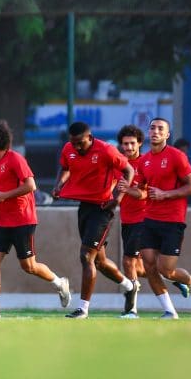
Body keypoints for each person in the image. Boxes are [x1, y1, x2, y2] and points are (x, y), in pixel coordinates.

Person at [0, 119, 71, 318]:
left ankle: (59, 283)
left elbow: (30, 186)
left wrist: (4, 195)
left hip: (23, 219)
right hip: (2, 220)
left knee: (29, 266)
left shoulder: (15, 159)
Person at [53, 121, 138, 319]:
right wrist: (59, 185)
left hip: (103, 209)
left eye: (81, 143)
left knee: (86, 257)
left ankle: (83, 308)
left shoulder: (106, 150)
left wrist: (117, 198)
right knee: (100, 261)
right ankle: (129, 286)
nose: (77, 147)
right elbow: (65, 168)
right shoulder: (68, 149)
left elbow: (129, 170)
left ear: (90, 138)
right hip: (84, 207)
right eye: (73, 143)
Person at [133, 117, 191, 319]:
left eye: (160, 129)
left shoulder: (177, 156)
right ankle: (169, 311)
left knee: (166, 270)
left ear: (167, 134)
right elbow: (142, 190)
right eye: (152, 128)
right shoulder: (144, 160)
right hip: (149, 219)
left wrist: (165, 194)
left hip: (173, 220)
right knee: (149, 265)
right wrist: (126, 189)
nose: (155, 131)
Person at [114, 125, 148, 318]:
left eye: (132, 143)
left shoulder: (145, 163)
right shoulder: (119, 163)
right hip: (126, 220)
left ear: (140, 143)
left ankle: (132, 309)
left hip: (143, 219)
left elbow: (144, 194)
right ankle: (178, 278)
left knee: (127, 261)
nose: (128, 147)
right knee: (140, 268)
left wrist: (128, 189)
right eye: (125, 143)